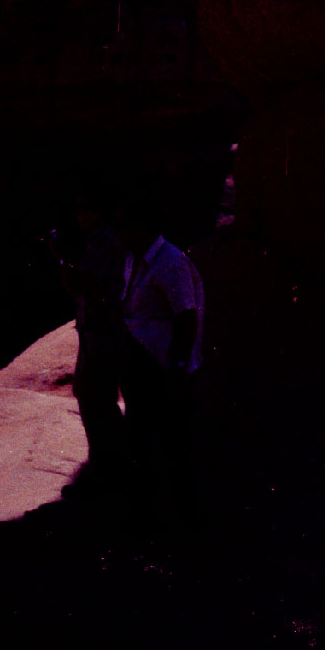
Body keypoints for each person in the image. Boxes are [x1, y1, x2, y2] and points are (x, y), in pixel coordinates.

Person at [115, 204, 205, 505]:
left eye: (124, 225)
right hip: (140, 363)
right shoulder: (132, 259)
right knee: (141, 437)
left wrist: (177, 368)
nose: (118, 232)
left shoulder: (170, 262)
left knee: (172, 442)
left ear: (140, 227)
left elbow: (186, 317)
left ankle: (180, 510)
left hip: (162, 367)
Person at [54, 196, 125, 489]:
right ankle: (110, 462)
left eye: (83, 211)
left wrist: (60, 258)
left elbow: (80, 284)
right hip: (98, 331)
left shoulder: (101, 242)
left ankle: (104, 465)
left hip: (101, 333)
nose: (79, 218)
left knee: (93, 396)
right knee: (97, 396)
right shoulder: (104, 241)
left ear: (95, 214)